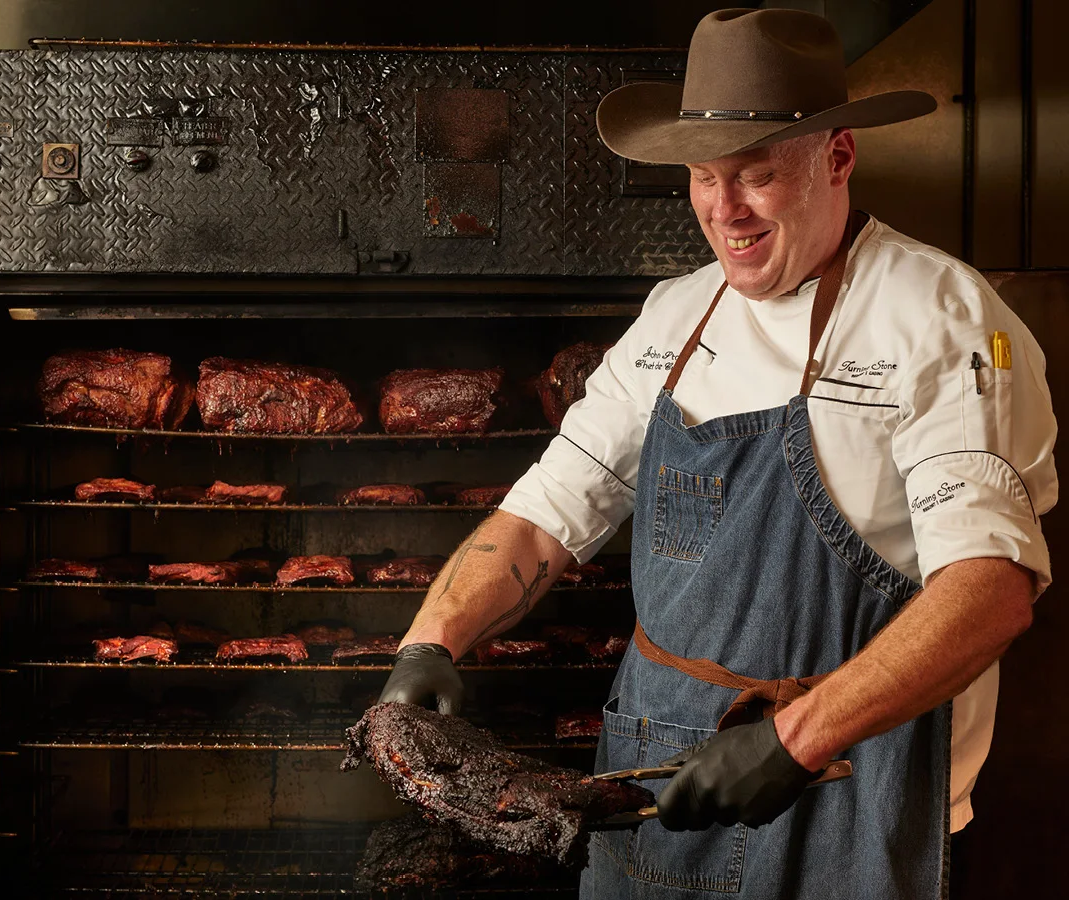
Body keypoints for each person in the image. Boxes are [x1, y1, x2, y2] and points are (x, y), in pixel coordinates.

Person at [378, 8, 1057, 899]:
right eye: (703, 177)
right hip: (655, 795)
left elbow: (990, 592)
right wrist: (431, 643)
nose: (723, 209)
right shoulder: (676, 314)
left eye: (756, 176)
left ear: (838, 158)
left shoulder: (938, 319)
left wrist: (794, 740)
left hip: (849, 800)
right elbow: (548, 513)